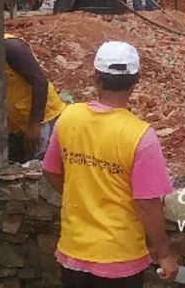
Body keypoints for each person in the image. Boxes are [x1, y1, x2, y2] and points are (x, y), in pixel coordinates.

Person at [42, 41, 177, 286]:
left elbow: (50, 170)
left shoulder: (68, 117)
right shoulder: (140, 136)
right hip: (120, 257)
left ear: (96, 77)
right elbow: (147, 204)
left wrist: (80, 193)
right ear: (136, 81)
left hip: (74, 251)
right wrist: (164, 253)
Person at [0, 19, 66, 163]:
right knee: (15, 167)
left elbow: (40, 82)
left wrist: (35, 125)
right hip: (14, 125)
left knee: (41, 167)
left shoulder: (11, 48)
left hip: (42, 119)